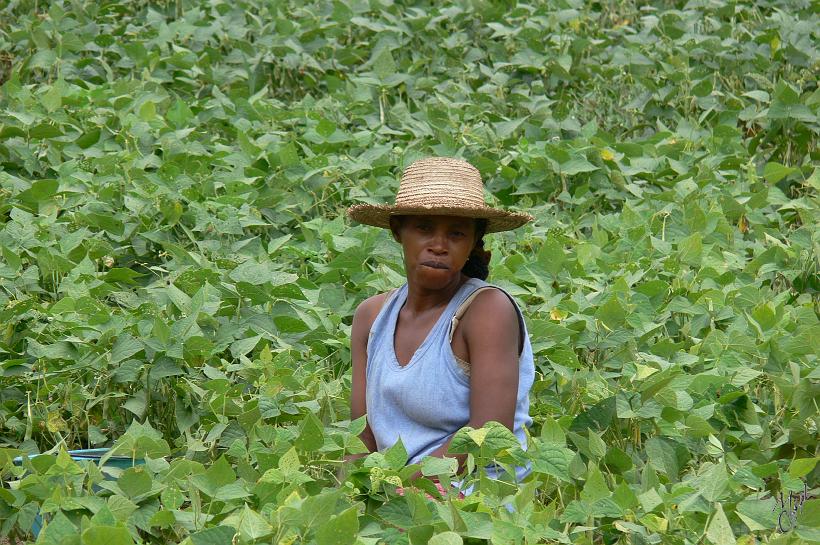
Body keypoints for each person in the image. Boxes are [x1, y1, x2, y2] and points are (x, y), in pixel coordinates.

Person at [346, 157, 535, 490]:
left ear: (474, 243)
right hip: (394, 489)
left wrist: (403, 492)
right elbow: (361, 436)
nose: (438, 245)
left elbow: (487, 435)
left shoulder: (487, 311)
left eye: (456, 233)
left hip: (476, 490)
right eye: (424, 228)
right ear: (397, 231)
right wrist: (355, 494)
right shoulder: (371, 317)